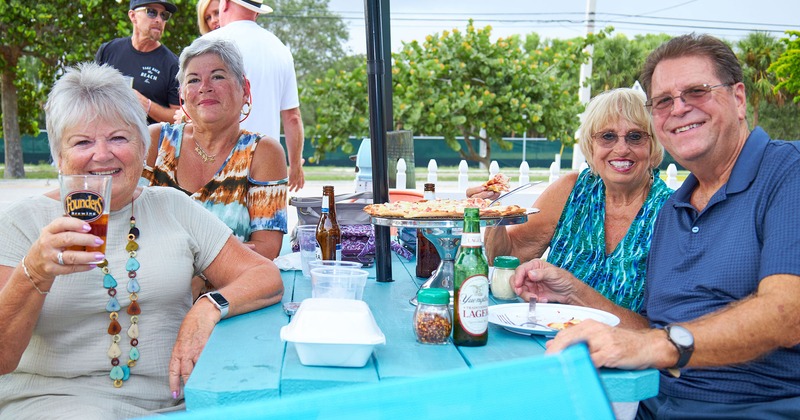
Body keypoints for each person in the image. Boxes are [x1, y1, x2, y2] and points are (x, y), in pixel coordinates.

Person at [537, 34, 800, 418]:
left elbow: (788, 312)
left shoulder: (787, 171)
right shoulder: (674, 211)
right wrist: (580, 297)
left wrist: (658, 346)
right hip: (647, 404)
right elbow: (652, 329)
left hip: (752, 407)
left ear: (739, 99)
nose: (678, 109)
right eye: (663, 101)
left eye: (697, 91)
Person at [0, 63, 284, 418]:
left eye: (119, 138)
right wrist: (35, 273)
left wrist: (207, 307)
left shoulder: (173, 206)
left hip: (172, 404)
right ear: (59, 156)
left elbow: (264, 276)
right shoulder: (21, 223)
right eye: (82, 142)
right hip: (51, 403)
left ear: (142, 145)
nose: (102, 154)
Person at [468, 88, 672, 322]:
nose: (622, 148)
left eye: (635, 136)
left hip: (624, 352)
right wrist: (494, 212)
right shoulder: (571, 190)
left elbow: (665, 329)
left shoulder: (671, 212)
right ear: (590, 144)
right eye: (608, 136)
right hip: (550, 337)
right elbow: (505, 256)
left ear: (654, 143)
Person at [144, 37, 288, 266]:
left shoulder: (263, 152)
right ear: (182, 94)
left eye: (218, 76)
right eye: (193, 80)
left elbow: (267, 248)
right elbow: (125, 225)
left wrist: (198, 273)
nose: (204, 87)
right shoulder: (155, 141)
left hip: (226, 293)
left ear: (245, 90)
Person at [204, 0, 306, 192]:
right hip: (268, 167)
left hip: (215, 167)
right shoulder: (280, 49)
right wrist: (295, 166)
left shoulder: (208, 44)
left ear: (225, 4)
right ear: (256, 13)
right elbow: (292, 117)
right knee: (268, 222)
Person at [96, 0, 181, 124]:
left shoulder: (173, 65)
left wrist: (146, 105)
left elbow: (179, 117)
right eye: (151, 12)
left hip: (149, 141)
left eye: (164, 15)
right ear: (133, 16)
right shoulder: (108, 50)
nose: (159, 20)